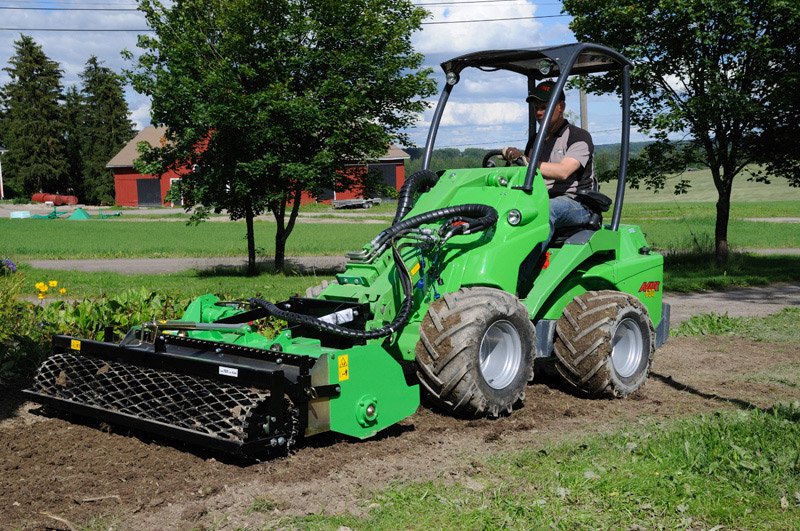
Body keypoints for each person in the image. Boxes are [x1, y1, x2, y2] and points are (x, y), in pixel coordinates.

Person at [502, 80, 596, 247]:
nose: (539, 112)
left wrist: (526, 160)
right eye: (536, 108)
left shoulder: (578, 136)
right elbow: (529, 172)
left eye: (544, 107)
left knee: (545, 209)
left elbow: (563, 171)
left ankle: (525, 263)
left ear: (561, 107)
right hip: (541, 198)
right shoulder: (535, 141)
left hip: (575, 203)